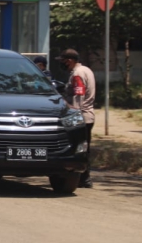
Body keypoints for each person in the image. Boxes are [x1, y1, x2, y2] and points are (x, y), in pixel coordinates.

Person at [55, 48, 95, 188]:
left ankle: (84, 178)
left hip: (81, 116)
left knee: (78, 147)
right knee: (84, 147)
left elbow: (78, 96)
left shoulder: (77, 74)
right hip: (88, 115)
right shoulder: (86, 70)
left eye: (64, 61)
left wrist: (74, 116)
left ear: (70, 61)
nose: (63, 64)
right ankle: (84, 178)